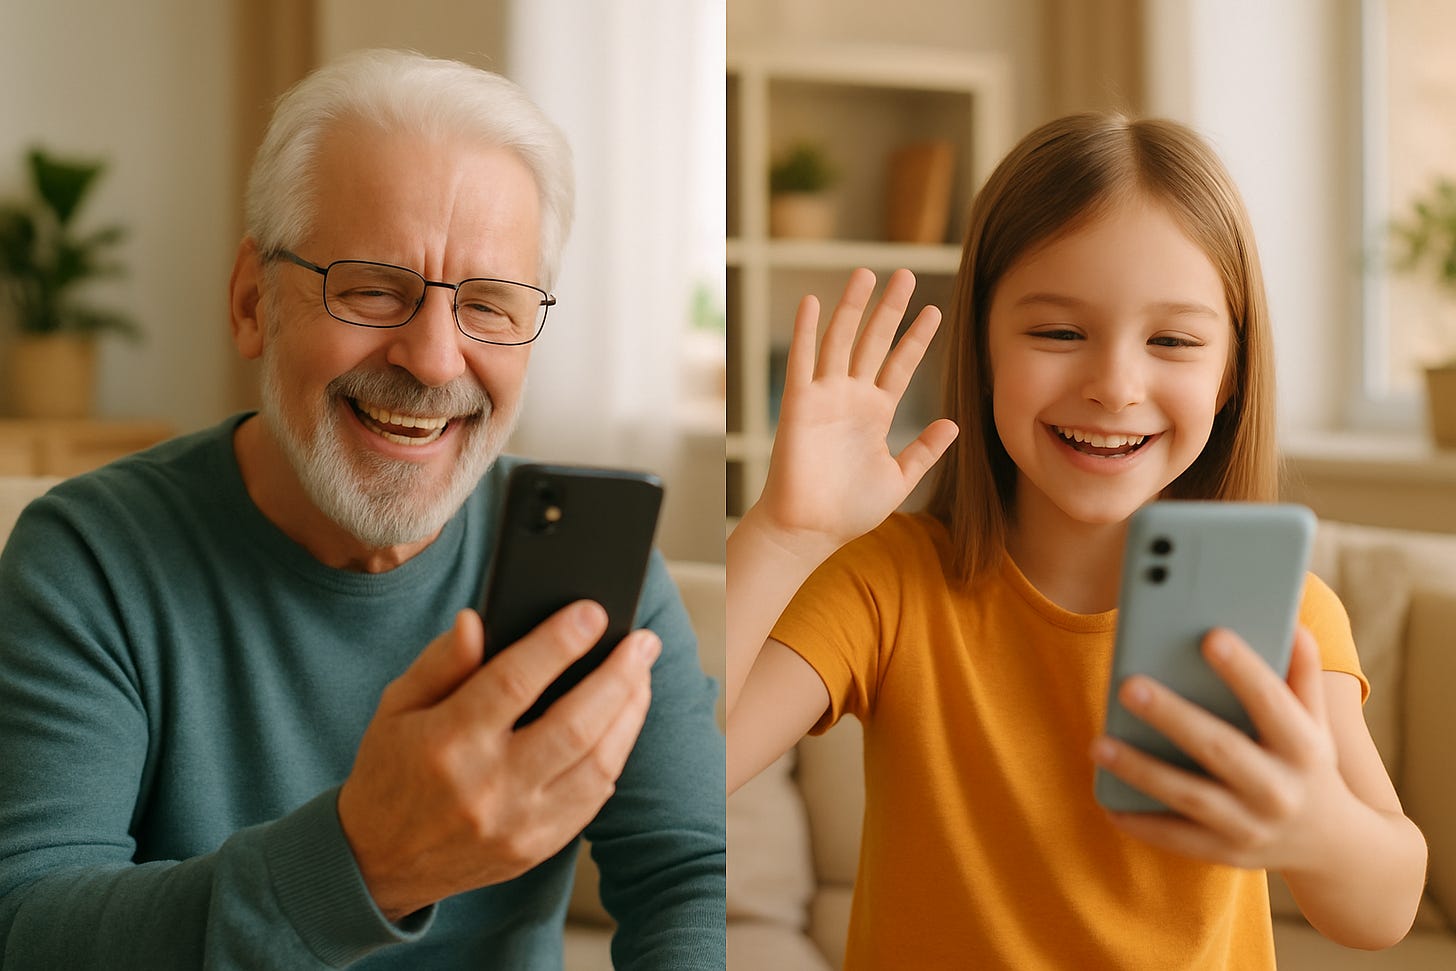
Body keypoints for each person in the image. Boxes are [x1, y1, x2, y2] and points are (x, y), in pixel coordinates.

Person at [0, 50, 724, 969]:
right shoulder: (89, 559)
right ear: (252, 300)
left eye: (492, 306)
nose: (432, 358)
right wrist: (365, 862)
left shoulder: (594, 571)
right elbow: (26, 927)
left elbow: (690, 876)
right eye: (373, 287)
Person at [726, 112, 1426, 968]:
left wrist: (1320, 827)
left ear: (1231, 371)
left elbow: (1386, 907)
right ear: (983, 344)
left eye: (1172, 340)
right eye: (1059, 332)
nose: (1115, 386)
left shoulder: (1284, 613)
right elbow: (684, 770)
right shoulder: (889, 584)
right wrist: (783, 532)